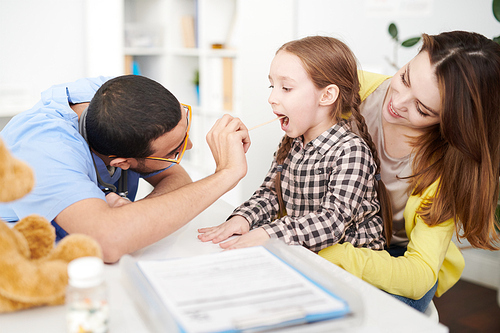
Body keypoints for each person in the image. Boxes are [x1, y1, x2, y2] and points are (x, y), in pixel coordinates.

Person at [319, 31, 500, 312]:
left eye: (422, 109)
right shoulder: (349, 89)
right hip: (321, 230)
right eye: (404, 78)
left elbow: (418, 274)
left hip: (392, 253)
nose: (399, 103)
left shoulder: (447, 167)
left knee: (401, 301)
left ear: (451, 122)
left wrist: (331, 255)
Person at [0, 75, 250, 263]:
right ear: (121, 163)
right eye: (173, 151)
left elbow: (177, 178)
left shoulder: (116, 99)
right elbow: (109, 242)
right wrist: (225, 175)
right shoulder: (45, 151)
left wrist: (132, 219)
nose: (191, 147)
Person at [198, 36, 392, 252]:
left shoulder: (351, 151)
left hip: (353, 265)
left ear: (327, 95)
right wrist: (243, 219)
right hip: (309, 254)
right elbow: (271, 194)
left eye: (286, 88)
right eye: (272, 85)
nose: (271, 97)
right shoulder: (291, 143)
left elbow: (332, 221)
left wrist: (268, 233)